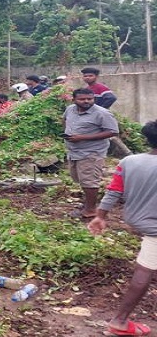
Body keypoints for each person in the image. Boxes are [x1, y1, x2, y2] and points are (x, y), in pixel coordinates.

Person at [87, 121, 157, 337]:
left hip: (140, 222)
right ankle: (119, 321)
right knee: (144, 271)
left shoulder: (129, 161)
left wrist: (100, 216)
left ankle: (120, 320)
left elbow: (114, 192)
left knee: (144, 269)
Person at [63, 88, 119, 219]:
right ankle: (88, 204)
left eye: (90, 98)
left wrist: (82, 137)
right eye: (82, 99)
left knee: (90, 181)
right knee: (80, 179)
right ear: (74, 99)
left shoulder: (102, 113)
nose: (86, 101)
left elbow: (112, 131)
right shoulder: (70, 109)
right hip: (74, 151)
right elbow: (64, 119)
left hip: (92, 152)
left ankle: (91, 210)